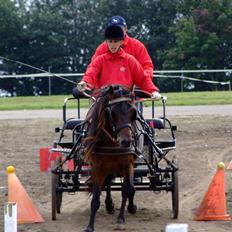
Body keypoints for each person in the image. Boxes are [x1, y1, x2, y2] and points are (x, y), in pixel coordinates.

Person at [77, 24, 160, 99]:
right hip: (104, 100)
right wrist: (85, 82)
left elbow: (143, 78)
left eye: (116, 41)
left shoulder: (130, 60)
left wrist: (153, 91)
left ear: (121, 42)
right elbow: (91, 73)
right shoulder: (100, 60)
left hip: (125, 100)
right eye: (110, 41)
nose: (113, 45)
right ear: (106, 42)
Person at [91, 15, 154, 81]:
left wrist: (142, 80)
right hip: (107, 87)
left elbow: (147, 67)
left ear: (126, 29)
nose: (116, 32)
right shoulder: (102, 48)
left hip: (133, 88)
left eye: (119, 29)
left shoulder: (137, 46)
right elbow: (93, 68)